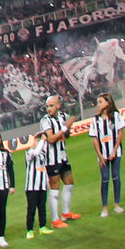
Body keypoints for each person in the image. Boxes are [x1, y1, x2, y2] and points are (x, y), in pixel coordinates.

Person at [41, 95, 78, 224]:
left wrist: (68, 128)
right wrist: (64, 128)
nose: (48, 108)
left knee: (70, 183)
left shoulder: (63, 116)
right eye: (47, 106)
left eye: (51, 105)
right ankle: (55, 220)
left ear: (58, 106)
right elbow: (51, 139)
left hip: (63, 156)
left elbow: (66, 135)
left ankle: (66, 213)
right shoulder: (45, 120)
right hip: (52, 160)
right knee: (55, 188)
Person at [91, 92, 125, 216]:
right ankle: (104, 208)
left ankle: (117, 205)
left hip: (115, 153)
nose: (98, 105)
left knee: (116, 177)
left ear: (108, 103)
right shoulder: (95, 120)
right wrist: (100, 155)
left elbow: (120, 133)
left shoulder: (116, 116)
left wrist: (115, 151)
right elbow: (94, 139)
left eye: (100, 102)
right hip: (103, 155)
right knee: (104, 179)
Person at [21, 127, 52, 238]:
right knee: (31, 208)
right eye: (38, 139)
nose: (40, 141)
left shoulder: (43, 154)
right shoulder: (29, 152)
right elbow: (35, 153)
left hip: (41, 185)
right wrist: (43, 141)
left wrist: (47, 181)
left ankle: (42, 227)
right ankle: (29, 230)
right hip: (31, 187)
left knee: (42, 207)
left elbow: (44, 168)